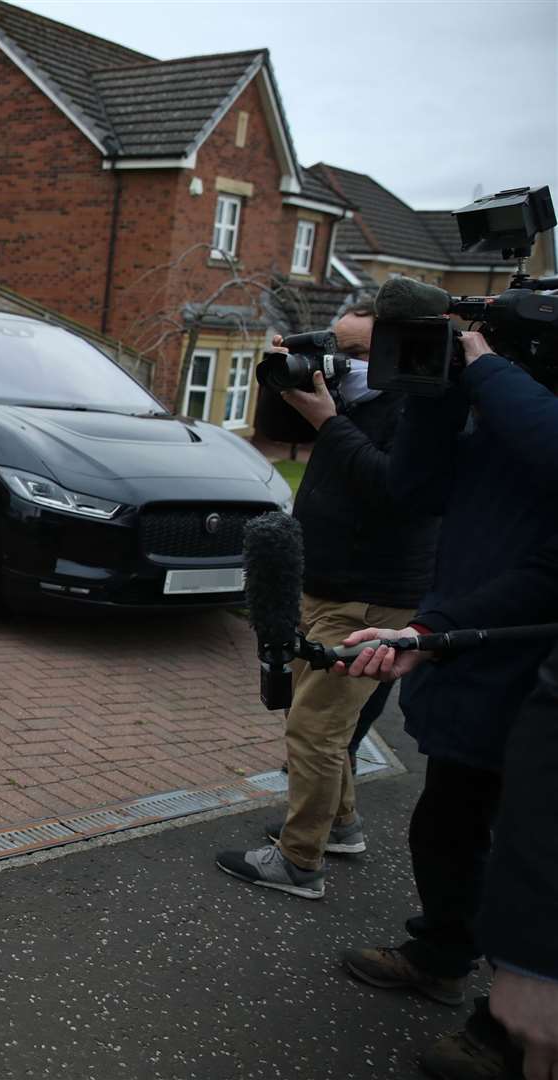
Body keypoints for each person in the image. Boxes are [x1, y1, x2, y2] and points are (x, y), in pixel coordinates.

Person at [331, 326, 558, 1022]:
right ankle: (442, 956)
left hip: (529, 674)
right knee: (446, 826)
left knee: (531, 851)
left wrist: (487, 370)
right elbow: (414, 487)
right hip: (469, 656)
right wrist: (431, 391)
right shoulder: (499, 426)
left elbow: (545, 575)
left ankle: (511, 1018)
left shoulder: (529, 417)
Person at [216, 306, 438, 899]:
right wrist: (283, 375)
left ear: (393, 357)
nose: (340, 361)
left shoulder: (418, 409)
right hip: (323, 582)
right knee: (316, 720)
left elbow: (397, 494)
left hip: (370, 600)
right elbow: (281, 431)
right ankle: (339, 826)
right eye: (331, 346)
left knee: (314, 730)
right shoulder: (350, 397)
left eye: (353, 351)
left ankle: (299, 861)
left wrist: (332, 421)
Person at [339, 536, 558, 1080]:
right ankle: (443, 957)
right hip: (492, 681)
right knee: (446, 823)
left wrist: (539, 959)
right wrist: (429, 632)